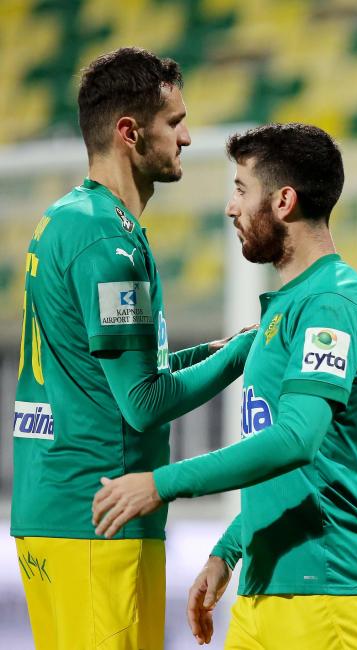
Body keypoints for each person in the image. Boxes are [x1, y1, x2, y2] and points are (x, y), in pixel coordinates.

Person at [92, 123, 357, 649]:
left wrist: (161, 483)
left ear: (283, 201)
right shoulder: (293, 304)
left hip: (331, 597)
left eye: (241, 189)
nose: (230, 207)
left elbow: (296, 440)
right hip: (270, 589)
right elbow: (299, 472)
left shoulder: (333, 302)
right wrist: (228, 551)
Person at [12, 47, 254, 650]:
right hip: (101, 519)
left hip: (59, 508)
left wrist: (214, 350)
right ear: (129, 132)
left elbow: (120, 372)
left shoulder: (68, 218)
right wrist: (245, 352)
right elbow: (143, 403)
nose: (187, 137)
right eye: (174, 122)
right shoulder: (108, 242)